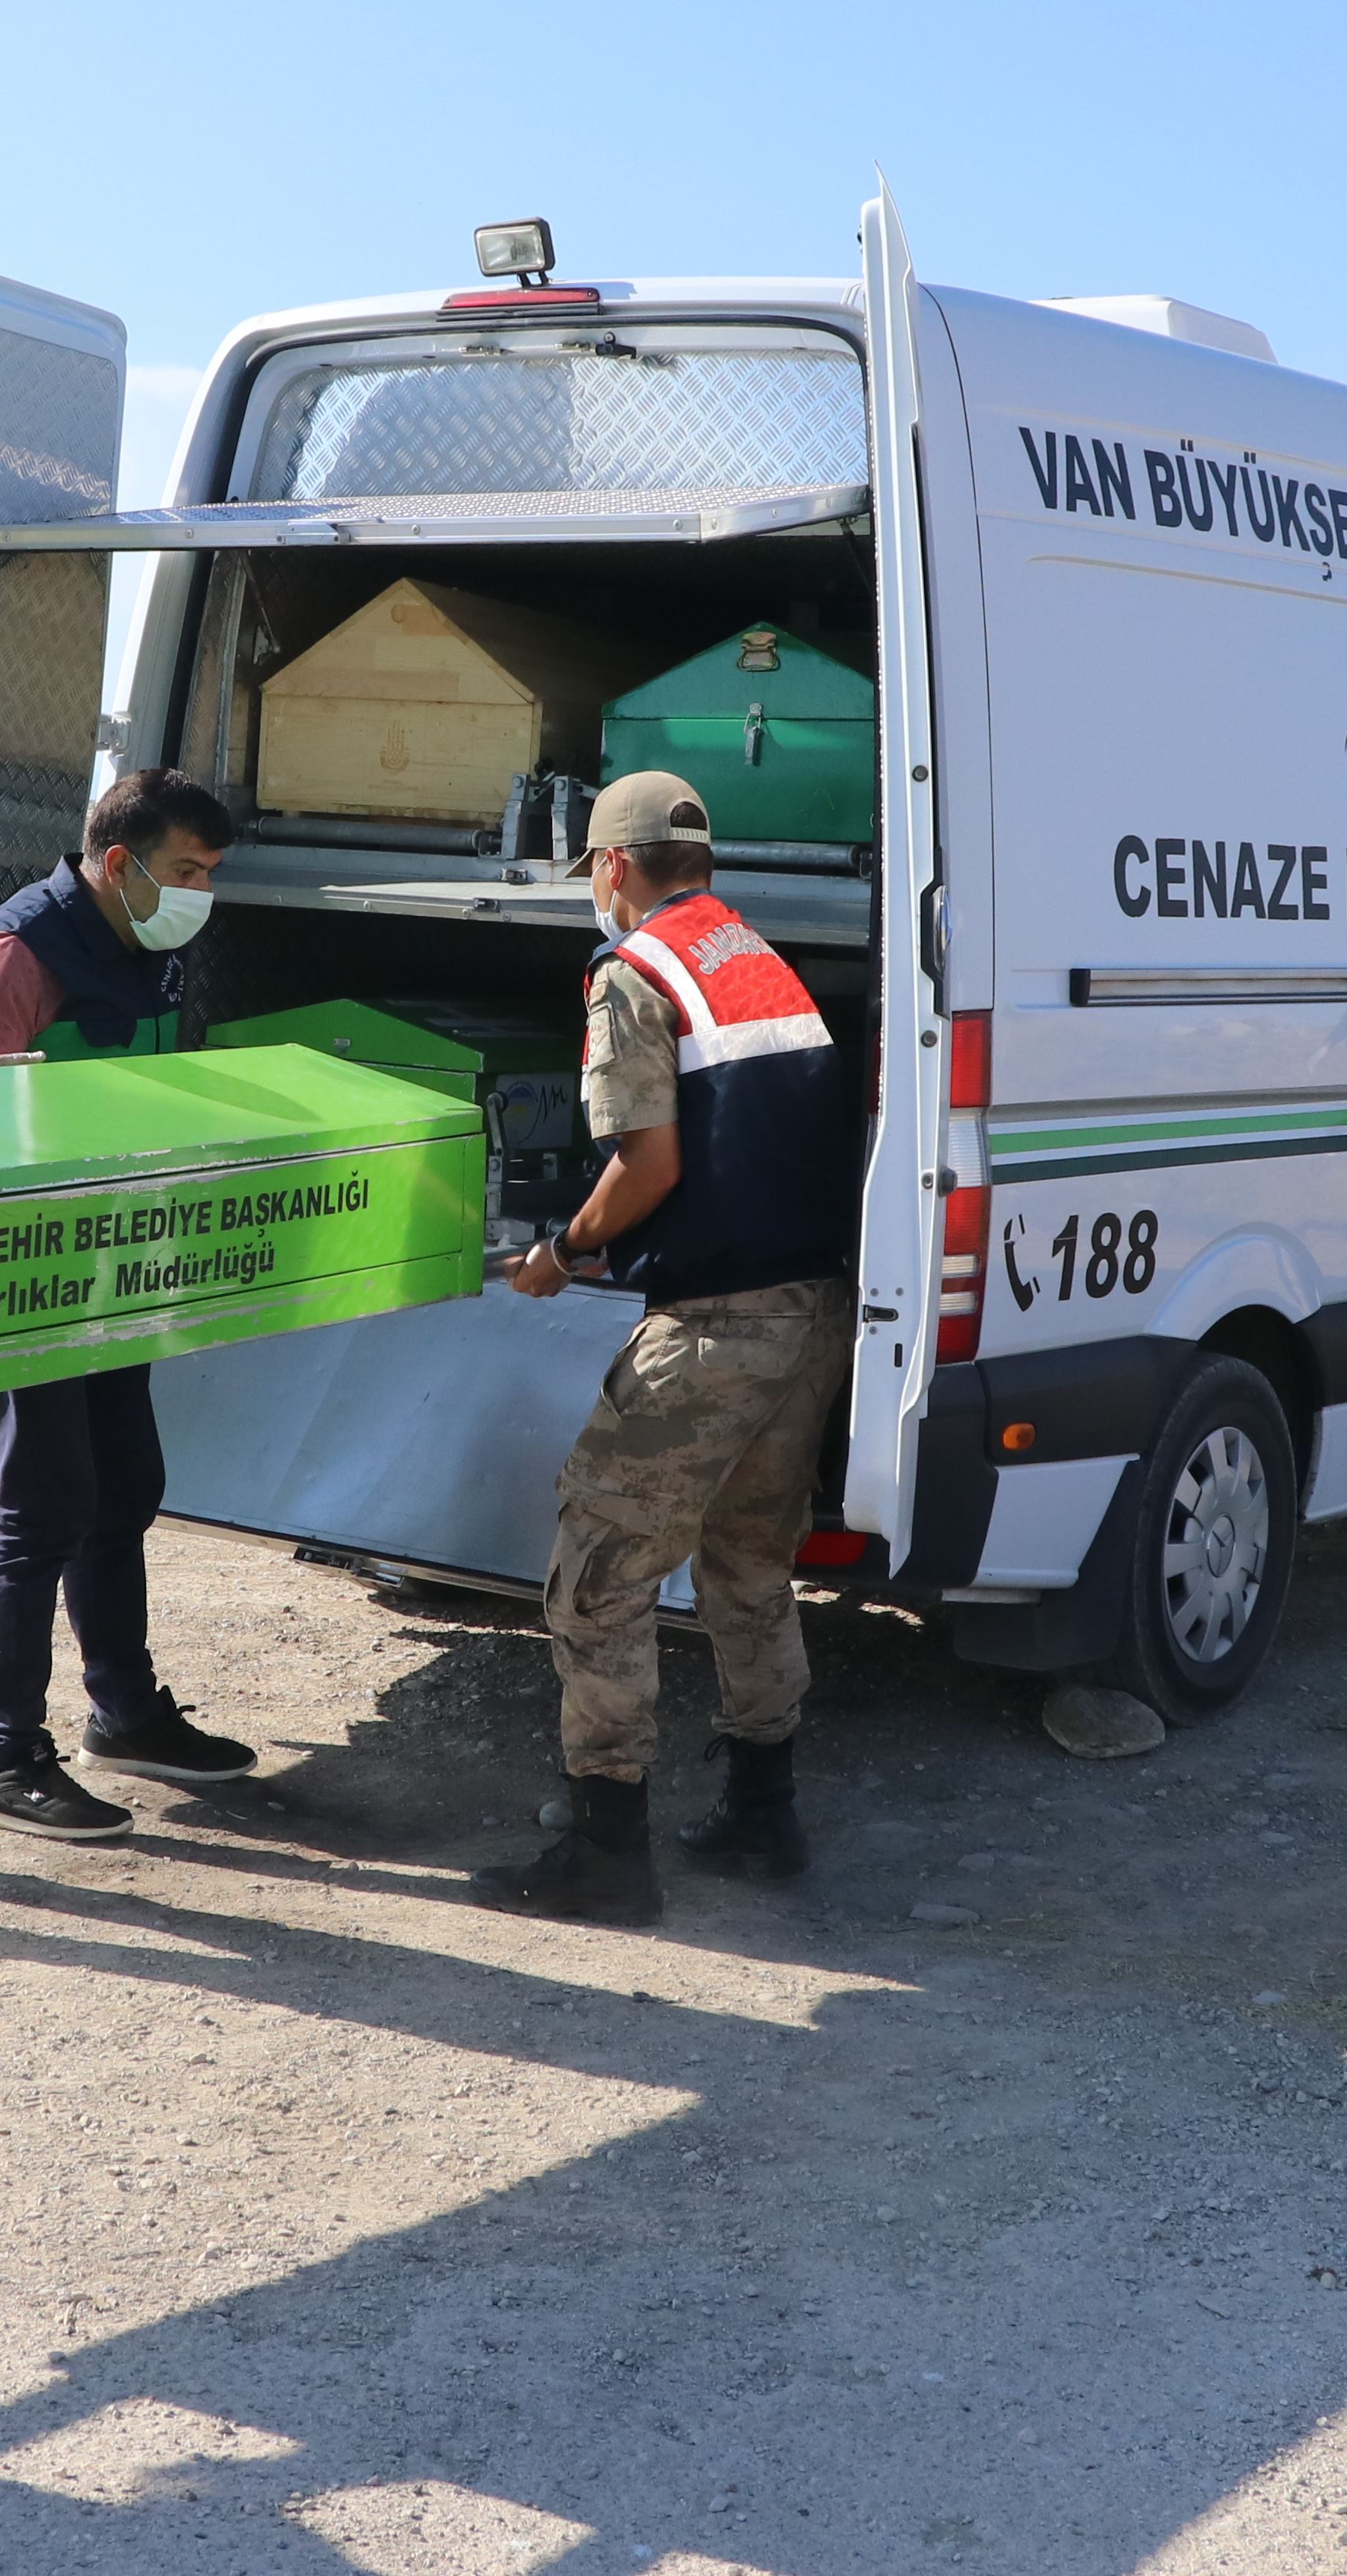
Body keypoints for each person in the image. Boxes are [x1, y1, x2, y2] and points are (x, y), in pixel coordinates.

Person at [478, 771, 860, 1926]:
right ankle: (762, 1816)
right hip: (813, 1315)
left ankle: (607, 1853)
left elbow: (647, 1164)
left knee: (598, 1571)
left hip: (714, 1330)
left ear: (610, 867)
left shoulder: (633, 971)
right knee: (751, 1562)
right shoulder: (756, 956)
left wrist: (564, 1249)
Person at [0, 768, 262, 1840]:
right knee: (42, 1507)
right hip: (28, 1280)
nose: (201, 893)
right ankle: (1, 1755)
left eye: (211, 873)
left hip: (120, 1267)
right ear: (118, 864)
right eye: (187, 871)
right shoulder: (14, 956)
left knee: (124, 1487)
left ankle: (125, 1714)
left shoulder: (151, 942)